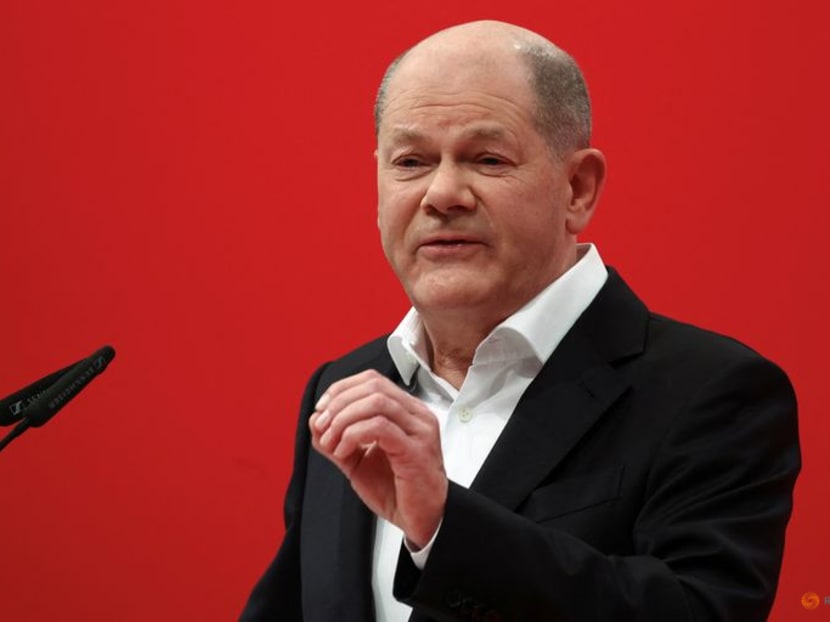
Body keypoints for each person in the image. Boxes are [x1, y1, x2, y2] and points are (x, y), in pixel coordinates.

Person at [240, 20, 800, 622]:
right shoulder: (344, 387)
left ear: (578, 189)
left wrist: (447, 529)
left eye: (486, 158)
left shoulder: (712, 392)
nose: (443, 193)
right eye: (410, 161)